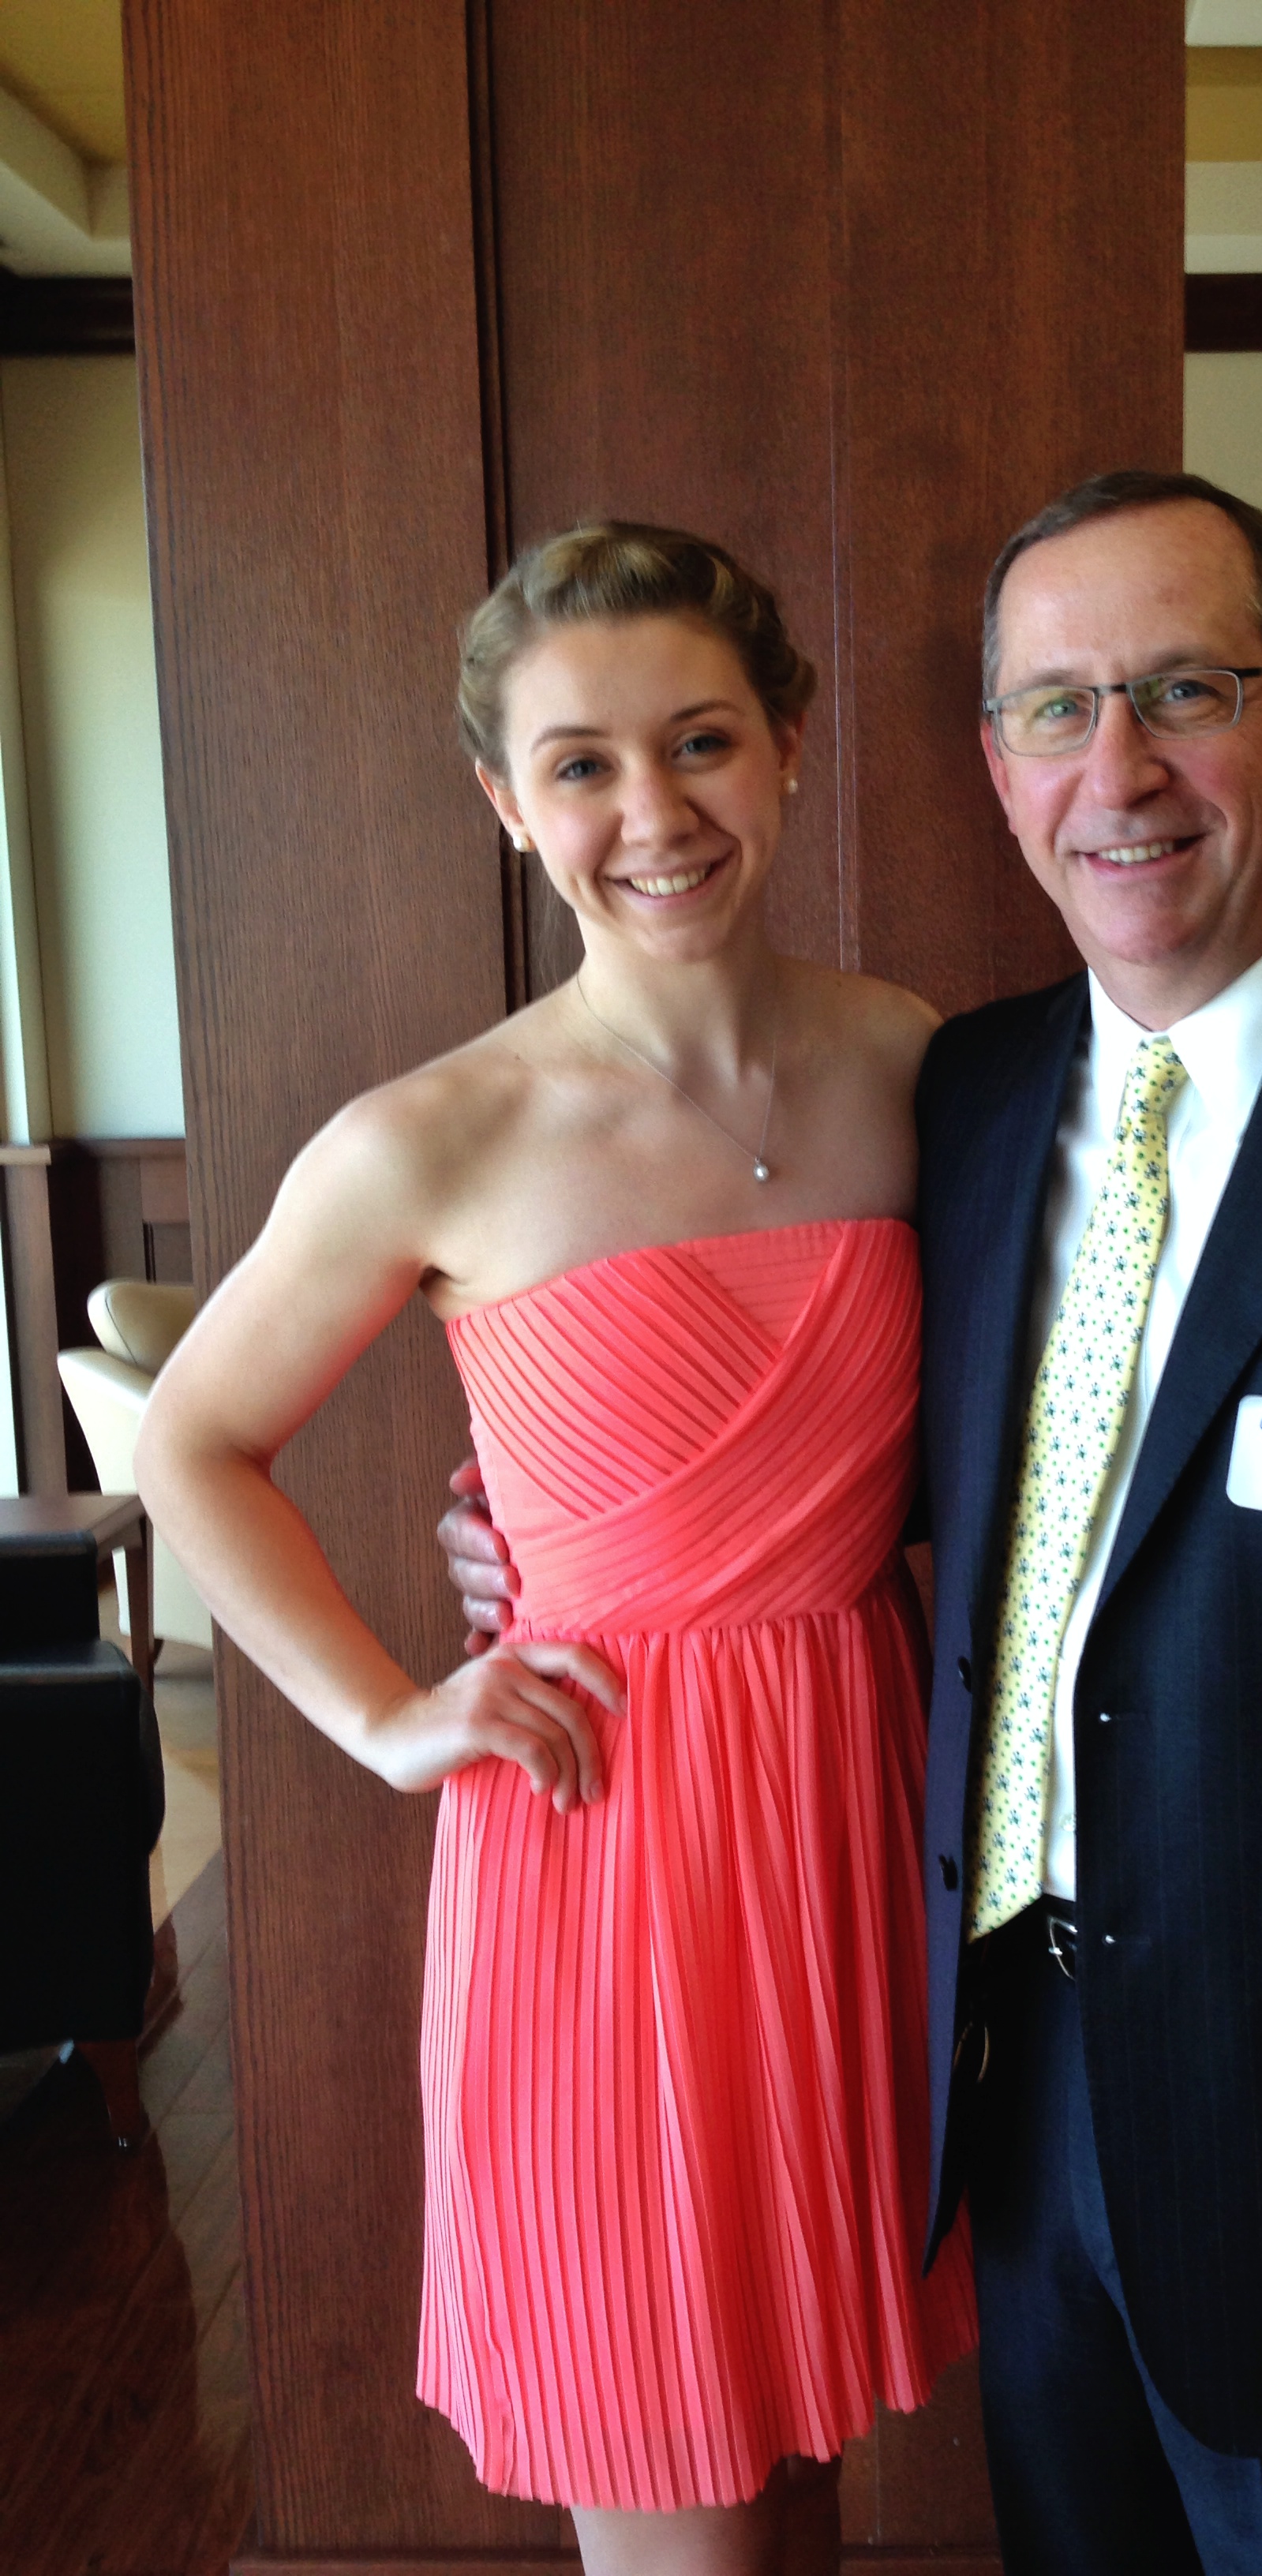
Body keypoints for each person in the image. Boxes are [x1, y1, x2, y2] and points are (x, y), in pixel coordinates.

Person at [445, 472, 1262, 2575]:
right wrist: (553, 1521)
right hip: (1016, 2095)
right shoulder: (964, 1099)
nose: (1119, 768)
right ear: (996, 765)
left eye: (1186, 691)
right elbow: (879, 1475)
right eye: (1058, 709)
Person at [137, 522, 976, 2576]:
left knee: (801, 2450)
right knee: (667, 2452)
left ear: (787, 744)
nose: (653, 811)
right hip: (608, 1850)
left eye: (701, 739)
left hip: (859, 1809)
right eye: (581, 765)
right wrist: (388, 1718)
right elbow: (192, 1441)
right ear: (507, 805)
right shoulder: (434, 1135)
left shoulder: (918, 1063)